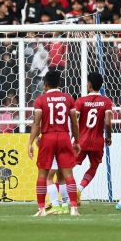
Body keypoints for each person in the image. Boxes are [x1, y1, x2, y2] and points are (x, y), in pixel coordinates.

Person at [27, 70, 81, 217]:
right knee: (68, 174)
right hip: (64, 137)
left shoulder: (40, 100)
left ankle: (42, 209)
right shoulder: (68, 99)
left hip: (48, 137)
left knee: (43, 174)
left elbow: (36, 123)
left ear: (46, 84)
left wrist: (30, 142)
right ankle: (74, 208)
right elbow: (75, 123)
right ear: (60, 83)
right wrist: (76, 140)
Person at [73, 73, 113, 198]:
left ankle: (62, 196)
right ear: (101, 86)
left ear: (89, 85)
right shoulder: (106, 101)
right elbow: (107, 121)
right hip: (97, 141)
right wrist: (109, 137)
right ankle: (79, 189)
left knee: (66, 167)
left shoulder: (80, 101)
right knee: (94, 166)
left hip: (81, 141)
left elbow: (74, 120)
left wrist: (73, 137)